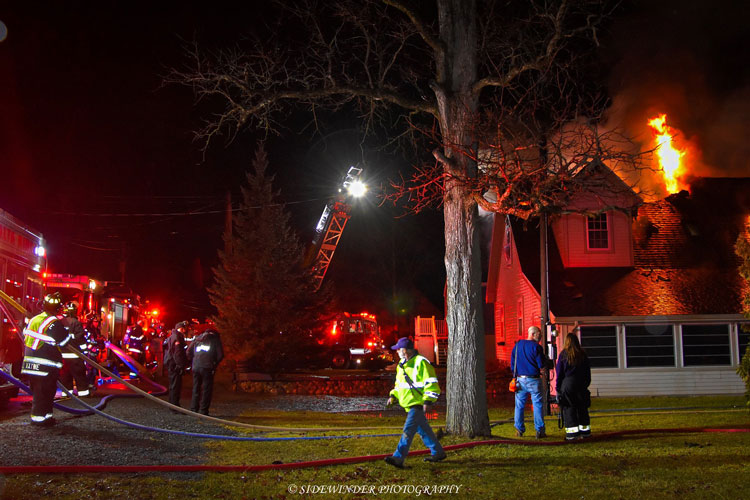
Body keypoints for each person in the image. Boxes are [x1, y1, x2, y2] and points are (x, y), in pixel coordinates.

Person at [383, 337, 446, 468]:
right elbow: (399, 385)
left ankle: (398, 457)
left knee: (408, 429)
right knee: (423, 430)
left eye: (399, 349)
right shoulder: (402, 365)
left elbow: (432, 382)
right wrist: (393, 396)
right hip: (409, 403)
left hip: (417, 403)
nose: (397, 351)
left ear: (406, 350)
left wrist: (428, 401)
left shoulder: (421, 362)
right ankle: (438, 452)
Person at [20, 292, 72, 426]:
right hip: (45, 364)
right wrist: (66, 327)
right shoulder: (53, 322)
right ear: (58, 308)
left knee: (39, 391)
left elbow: (25, 334)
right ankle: (39, 420)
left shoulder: (34, 319)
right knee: (45, 392)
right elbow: (64, 341)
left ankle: (46, 417)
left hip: (30, 363)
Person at [511, 325, 549, 439]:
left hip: (520, 379)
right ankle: (539, 430)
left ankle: (519, 429)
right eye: (539, 333)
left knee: (519, 405)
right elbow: (541, 364)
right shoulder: (536, 347)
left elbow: (513, 364)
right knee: (537, 404)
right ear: (533, 334)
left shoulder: (517, 346)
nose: (541, 335)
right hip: (533, 379)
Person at [555, 333, 592, 440]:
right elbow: (587, 372)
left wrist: (558, 389)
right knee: (582, 408)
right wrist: (585, 384)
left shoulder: (563, 355)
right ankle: (585, 432)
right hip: (581, 384)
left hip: (568, 385)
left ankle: (572, 434)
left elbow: (559, 373)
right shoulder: (583, 354)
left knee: (569, 408)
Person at [187, 328, 224, 415]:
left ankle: (194, 409)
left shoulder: (197, 339)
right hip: (207, 367)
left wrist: (193, 361)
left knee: (196, 387)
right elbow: (220, 355)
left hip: (196, 366)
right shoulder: (215, 339)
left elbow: (188, 351)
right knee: (206, 389)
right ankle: (203, 410)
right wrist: (214, 364)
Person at [59, 301, 92, 397]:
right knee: (79, 375)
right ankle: (83, 394)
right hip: (75, 355)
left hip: (63, 355)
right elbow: (80, 339)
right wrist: (85, 352)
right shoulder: (76, 323)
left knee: (65, 375)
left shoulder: (60, 322)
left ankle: (66, 394)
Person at [163, 321, 189, 409]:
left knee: (172, 385)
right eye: (184, 329)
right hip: (174, 365)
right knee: (175, 386)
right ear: (181, 328)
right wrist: (180, 365)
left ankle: (172, 405)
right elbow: (178, 352)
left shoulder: (173, 335)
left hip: (171, 364)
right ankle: (174, 406)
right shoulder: (178, 337)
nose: (185, 331)